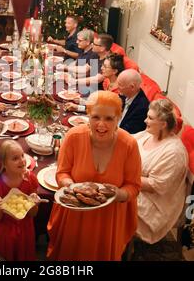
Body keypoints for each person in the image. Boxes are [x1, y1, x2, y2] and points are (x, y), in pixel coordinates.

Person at [47, 91, 141, 261]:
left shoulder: (129, 145)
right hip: (74, 214)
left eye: (109, 119)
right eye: (96, 117)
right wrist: (72, 187)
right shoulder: (74, 137)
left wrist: (118, 194)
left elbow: (133, 186)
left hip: (108, 219)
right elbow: (62, 172)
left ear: (118, 119)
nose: (101, 125)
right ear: (88, 115)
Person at [134, 99, 188, 244]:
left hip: (154, 205)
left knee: (110, 201)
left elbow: (154, 186)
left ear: (163, 124)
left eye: (150, 118)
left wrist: (121, 176)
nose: (145, 121)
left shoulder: (174, 153)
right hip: (138, 188)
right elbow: (127, 141)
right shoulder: (148, 134)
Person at [0, 140, 39, 261]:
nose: (22, 160)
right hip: (5, 233)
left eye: (22, 155)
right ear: (3, 164)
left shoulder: (30, 179)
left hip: (26, 230)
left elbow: (33, 213)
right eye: (15, 158)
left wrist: (34, 204)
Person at [117, 69, 150, 134]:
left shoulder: (142, 108)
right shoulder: (124, 95)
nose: (118, 87)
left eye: (120, 85)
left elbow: (128, 132)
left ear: (132, 87)